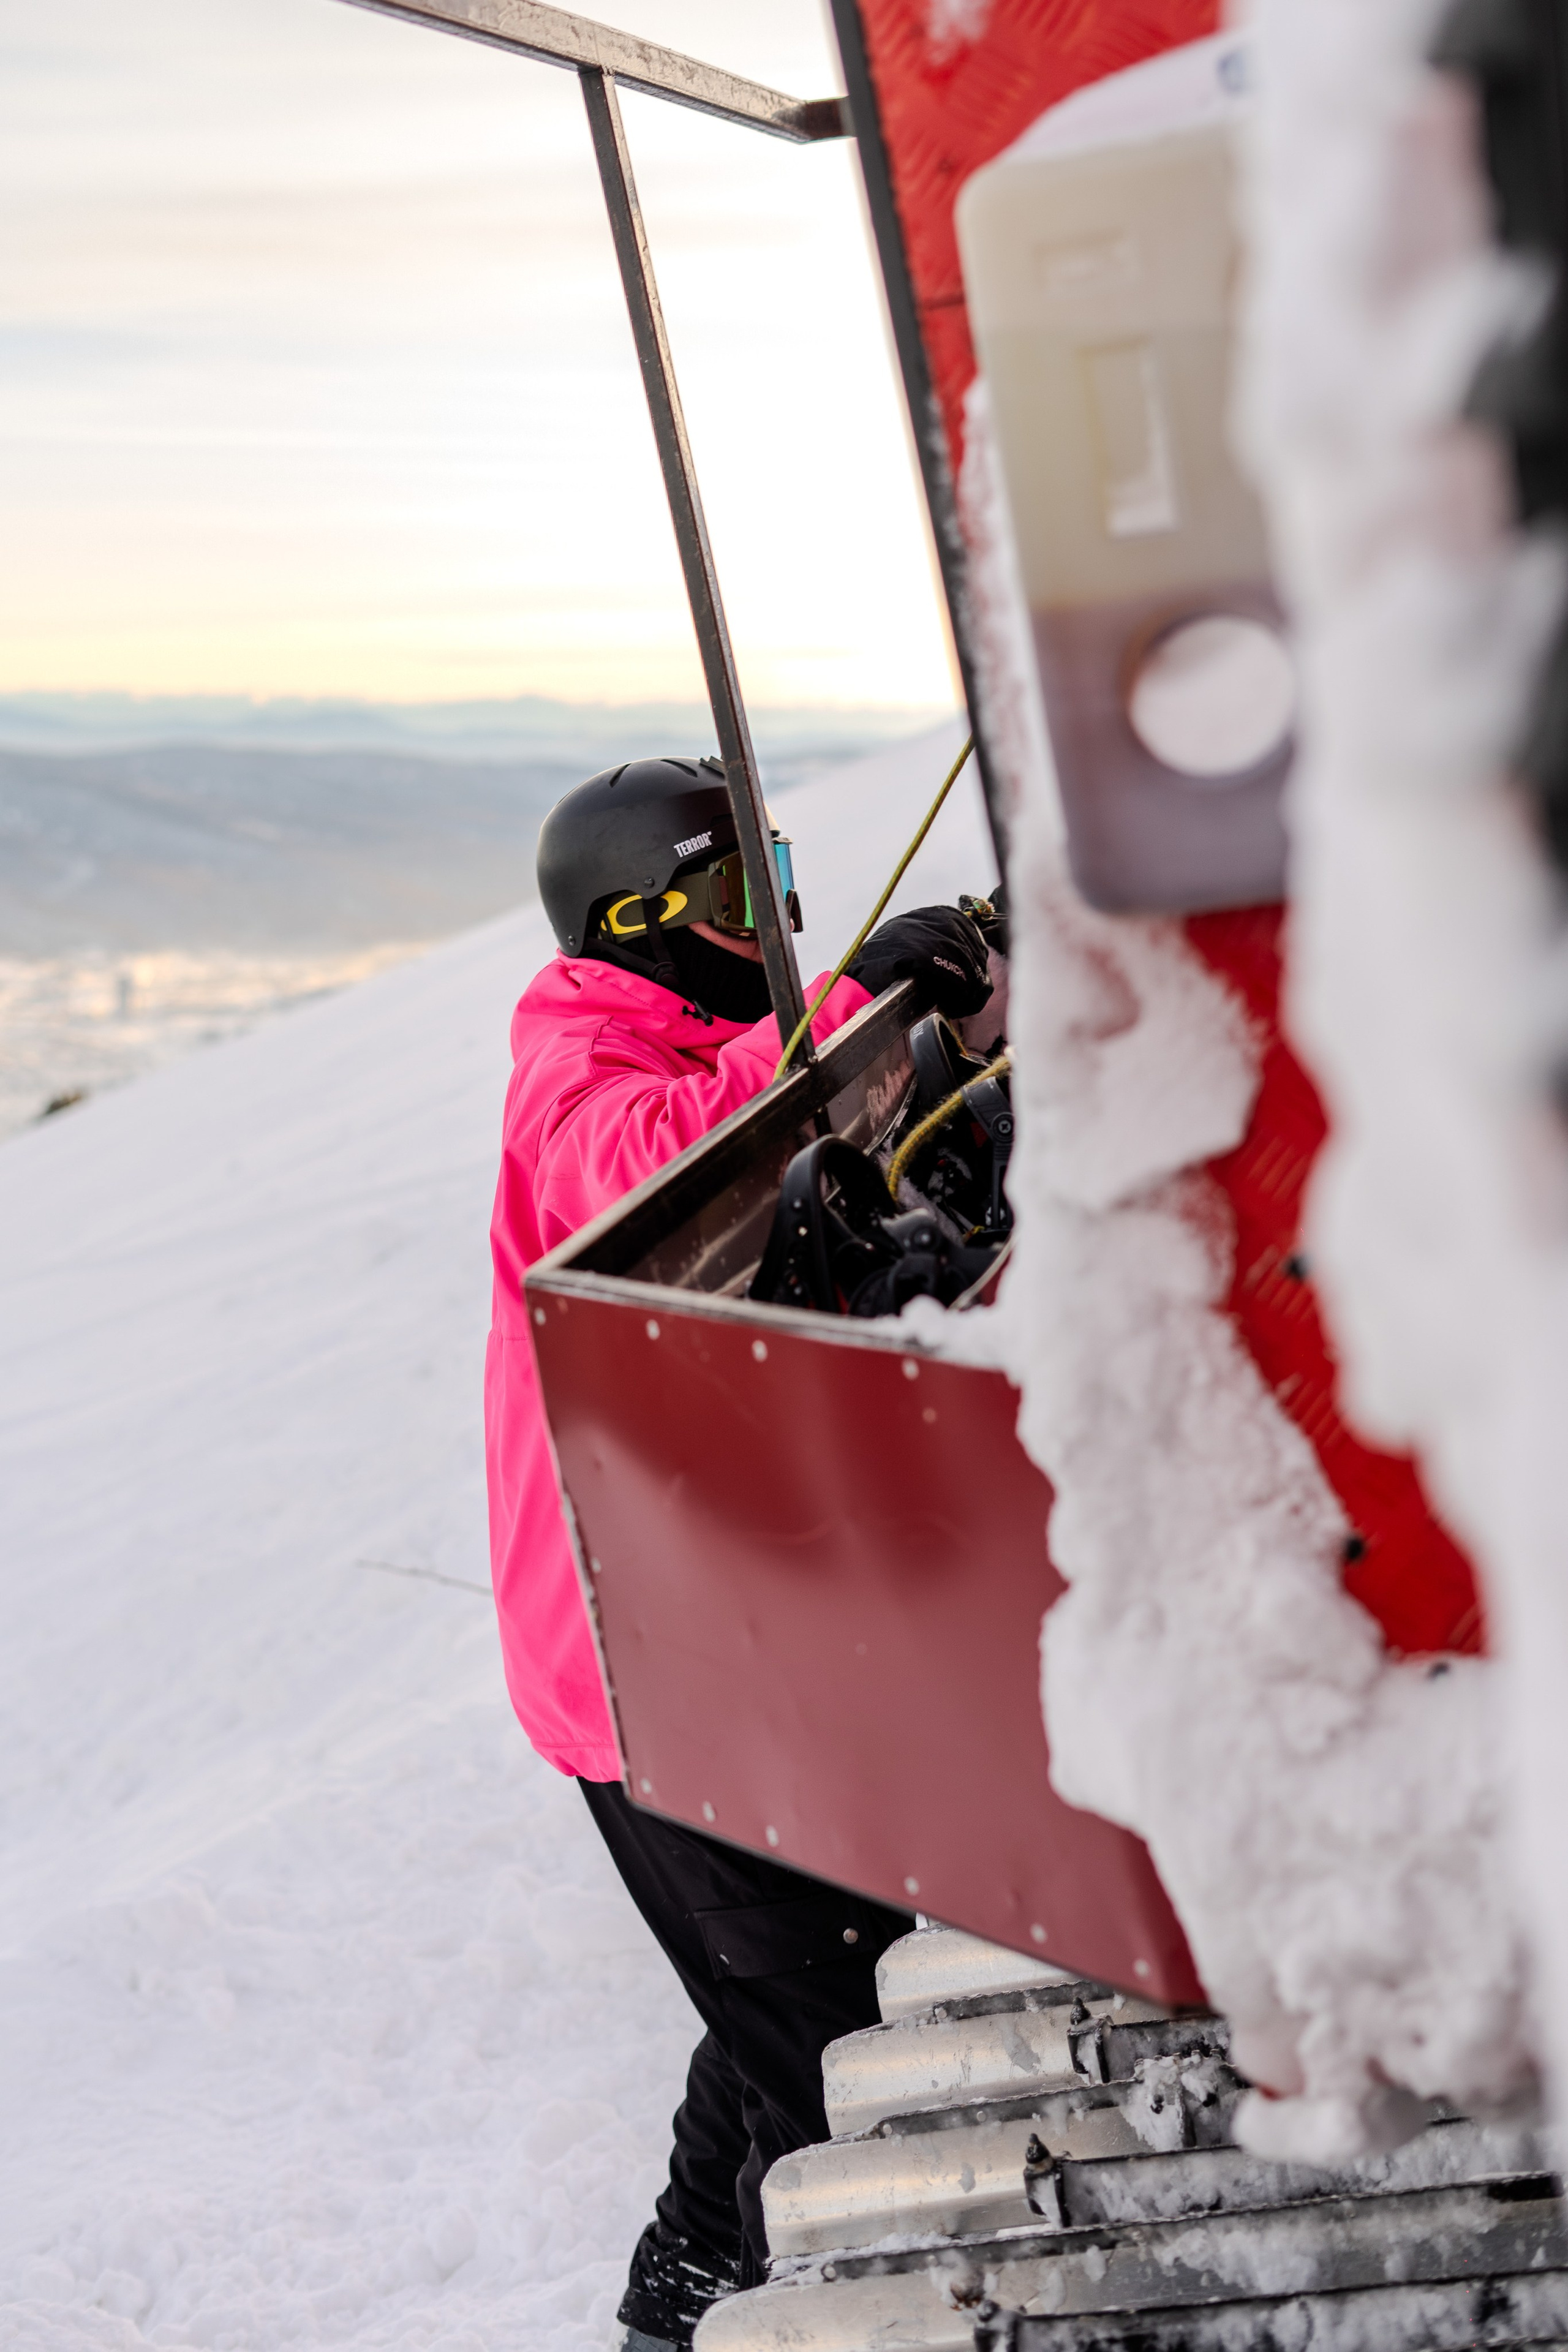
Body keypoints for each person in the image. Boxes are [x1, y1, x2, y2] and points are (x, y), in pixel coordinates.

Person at [484, 755, 993, 2350]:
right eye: (736, 893)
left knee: (814, 1996)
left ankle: (686, 2294)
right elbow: (649, 1163)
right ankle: (707, 2305)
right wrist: (850, 1000)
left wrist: (961, 1000)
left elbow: (824, 1112)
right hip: (641, 1671)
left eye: (776, 872)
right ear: (643, 921)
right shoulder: (580, 1063)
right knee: (828, 2042)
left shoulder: (707, 1033)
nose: (769, 916)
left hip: (734, 1623)